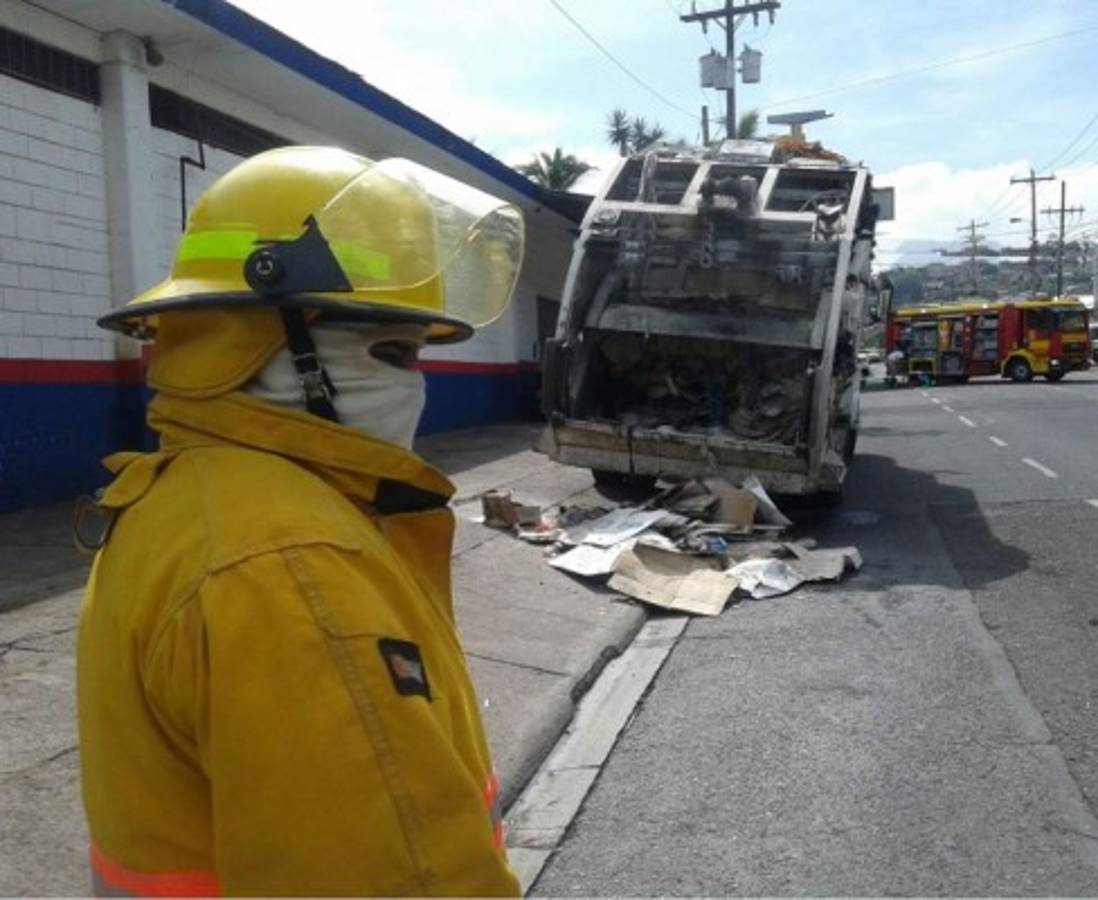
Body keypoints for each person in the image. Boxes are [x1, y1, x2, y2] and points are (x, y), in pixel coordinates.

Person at [75, 146, 524, 897]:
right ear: (264, 347)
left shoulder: (185, 494)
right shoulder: (288, 566)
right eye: (389, 351)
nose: (415, 387)